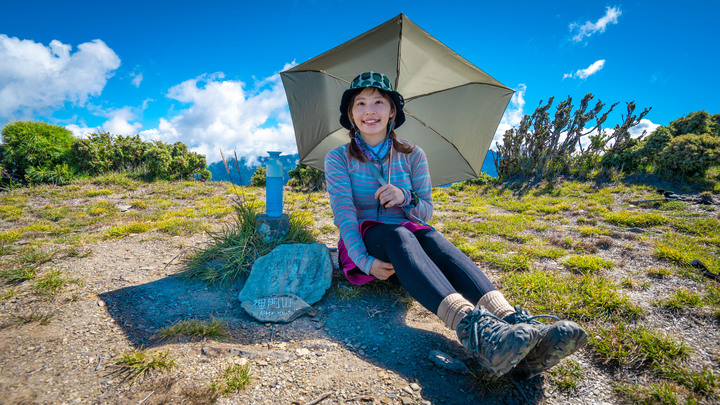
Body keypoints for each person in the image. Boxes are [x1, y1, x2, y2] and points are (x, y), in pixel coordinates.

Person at [324, 71, 587, 378]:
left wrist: (404, 196)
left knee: (431, 238)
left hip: (411, 256)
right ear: (350, 114)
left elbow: (425, 211)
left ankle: (515, 325)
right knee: (400, 235)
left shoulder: (412, 155)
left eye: (379, 102)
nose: (370, 110)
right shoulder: (338, 158)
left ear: (393, 110)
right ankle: (477, 333)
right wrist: (365, 261)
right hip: (370, 248)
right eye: (360, 103)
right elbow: (345, 217)